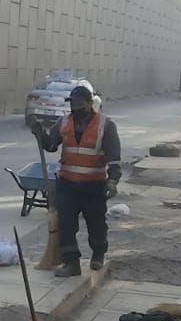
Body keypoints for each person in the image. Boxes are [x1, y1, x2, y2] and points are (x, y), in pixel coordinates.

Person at [31, 85, 121, 278]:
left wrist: (112, 181)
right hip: (67, 184)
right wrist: (40, 134)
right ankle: (71, 263)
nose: (75, 108)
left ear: (89, 104)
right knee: (66, 224)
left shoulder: (105, 125)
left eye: (79, 104)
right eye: (72, 104)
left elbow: (114, 158)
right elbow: (52, 146)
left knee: (96, 223)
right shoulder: (64, 122)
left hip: (93, 185)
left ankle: (98, 254)